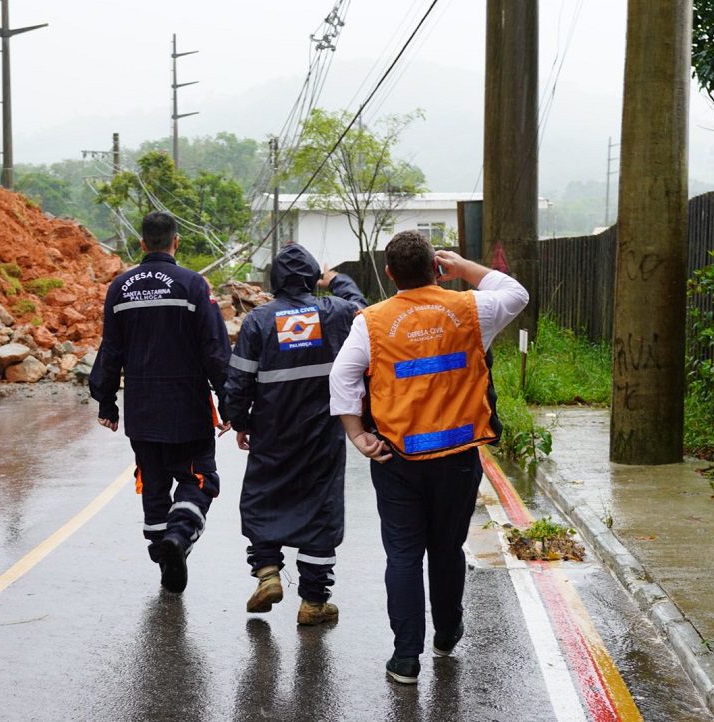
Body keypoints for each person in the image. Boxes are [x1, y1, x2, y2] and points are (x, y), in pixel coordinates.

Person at [328, 230, 528, 683]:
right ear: (436, 268)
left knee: (402, 555)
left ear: (389, 273)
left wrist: (359, 437)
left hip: (398, 459)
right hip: (458, 456)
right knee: (446, 548)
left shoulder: (373, 322)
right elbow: (516, 292)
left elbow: (341, 378)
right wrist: (464, 269)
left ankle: (405, 659)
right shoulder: (471, 309)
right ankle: (447, 631)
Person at [89, 211, 232, 594]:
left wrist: (106, 402)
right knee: (198, 478)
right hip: (187, 407)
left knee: (153, 483)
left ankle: (162, 553)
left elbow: (111, 349)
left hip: (142, 408)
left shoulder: (120, 288)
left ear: (141, 244)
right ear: (176, 242)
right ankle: (179, 539)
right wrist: (231, 402)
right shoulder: (193, 284)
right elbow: (215, 349)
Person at [224, 243, 366, 626]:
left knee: (264, 497)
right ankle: (314, 602)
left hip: (273, 432)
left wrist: (239, 421)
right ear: (311, 278)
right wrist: (335, 279)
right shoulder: (336, 312)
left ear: (275, 281)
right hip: (324, 433)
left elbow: (238, 381)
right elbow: (362, 306)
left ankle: (268, 573)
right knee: (320, 509)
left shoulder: (258, 321)